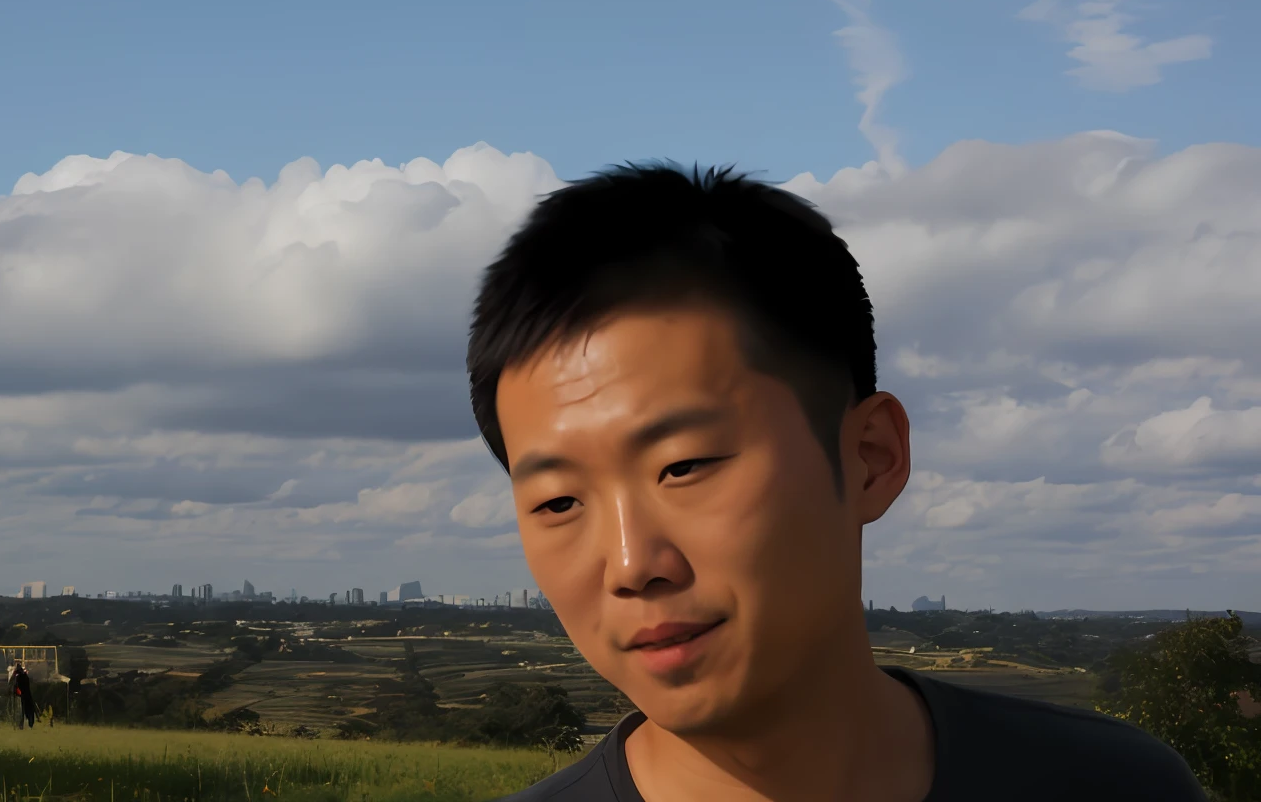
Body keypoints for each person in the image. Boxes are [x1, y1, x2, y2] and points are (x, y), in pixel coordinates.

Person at [466, 163, 1205, 801]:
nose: (631, 565)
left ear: (872, 456)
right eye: (558, 501)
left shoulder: (1111, 786)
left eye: (684, 466)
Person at [8, 660, 37, 729]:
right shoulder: (24, 676)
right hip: (25, 695)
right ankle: (28, 723)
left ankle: (23, 724)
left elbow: (14, 685)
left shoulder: (18, 677)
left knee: (23, 710)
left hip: (22, 695)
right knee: (28, 710)